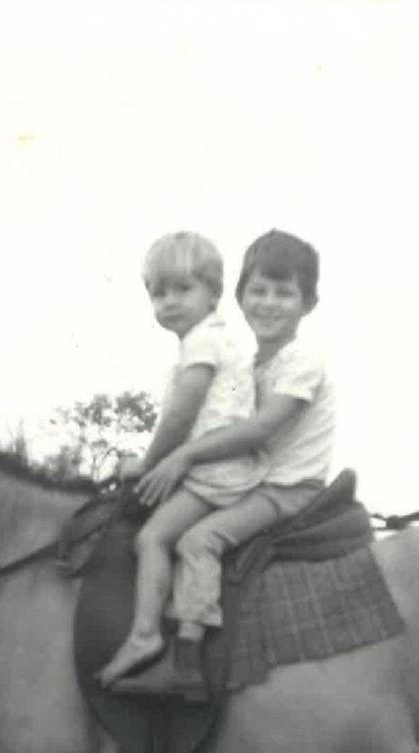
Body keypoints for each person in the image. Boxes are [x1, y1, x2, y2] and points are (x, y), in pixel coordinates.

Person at [133, 228, 335, 663]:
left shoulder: (304, 361)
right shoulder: (249, 362)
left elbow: (260, 430)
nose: (268, 303)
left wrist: (181, 456)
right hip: (255, 479)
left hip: (285, 488)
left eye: (284, 294)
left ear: (308, 304)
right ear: (239, 297)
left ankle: (188, 652)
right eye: (258, 291)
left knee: (198, 540)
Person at [95, 232, 265, 691]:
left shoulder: (202, 344)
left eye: (182, 289)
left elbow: (181, 413)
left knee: (151, 538)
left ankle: (146, 635)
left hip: (215, 474)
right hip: (221, 468)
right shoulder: (215, 340)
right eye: (158, 293)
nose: (169, 302)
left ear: (213, 293)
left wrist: (148, 465)